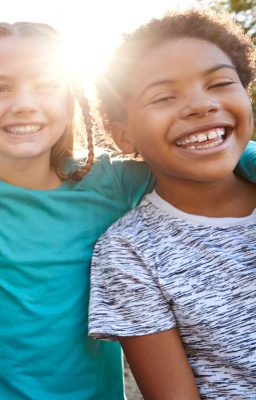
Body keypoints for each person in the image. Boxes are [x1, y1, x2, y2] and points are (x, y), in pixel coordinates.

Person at [0, 21, 256, 399]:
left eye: (46, 85)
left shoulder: (108, 182)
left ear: (70, 103)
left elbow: (205, 152)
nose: (25, 102)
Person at [89, 9, 256, 399]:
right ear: (123, 135)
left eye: (218, 83)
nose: (201, 105)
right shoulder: (128, 252)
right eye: (164, 96)